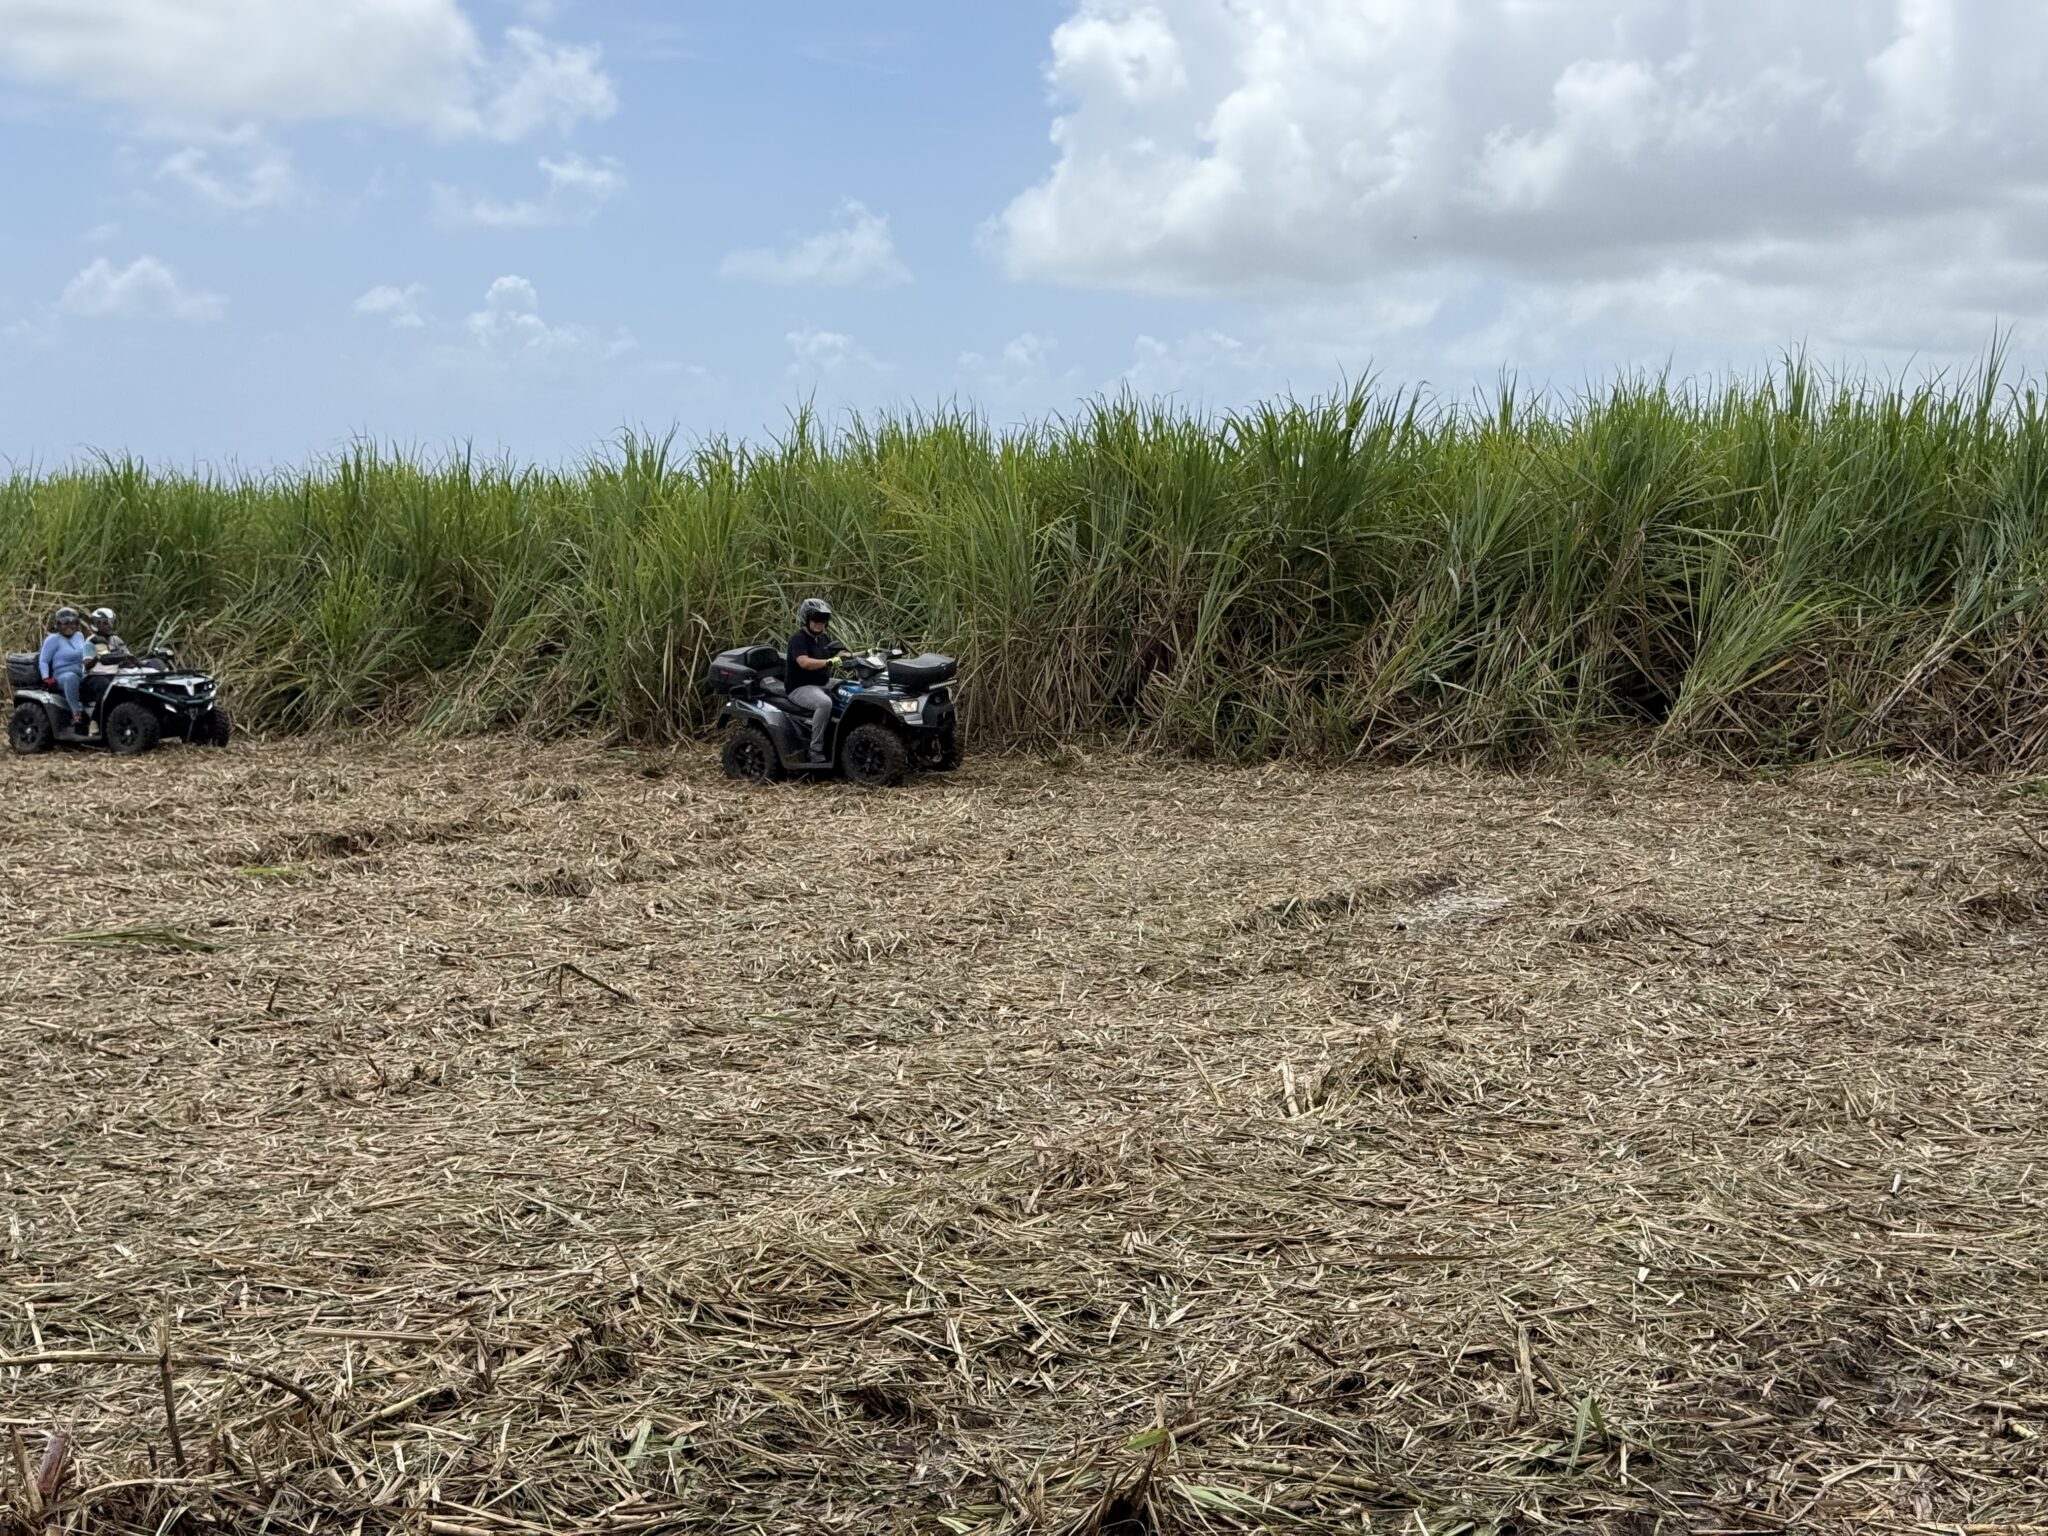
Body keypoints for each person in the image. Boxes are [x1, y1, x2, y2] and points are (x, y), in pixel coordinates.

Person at [785, 597, 845, 763]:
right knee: (824, 703)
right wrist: (829, 662)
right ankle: (815, 749)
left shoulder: (823, 638)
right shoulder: (798, 639)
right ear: (806, 619)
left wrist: (865, 654)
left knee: (849, 688)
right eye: (816, 619)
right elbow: (804, 662)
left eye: (823, 619)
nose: (820, 624)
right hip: (800, 687)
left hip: (822, 683)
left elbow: (840, 655)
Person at [39, 607, 95, 731]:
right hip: (62, 675)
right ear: (58, 625)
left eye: (73, 623)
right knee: (71, 678)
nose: (70, 626)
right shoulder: (52, 640)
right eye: (65, 623)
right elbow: (43, 661)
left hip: (82, 672)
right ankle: (76, 714)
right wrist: (46, 678)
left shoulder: (79, 636)